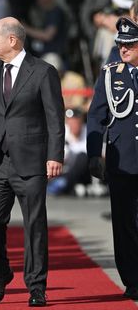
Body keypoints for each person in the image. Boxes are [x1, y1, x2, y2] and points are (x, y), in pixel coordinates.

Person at [0, 17, 65, 306]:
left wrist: (54, 156)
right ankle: (0, 274)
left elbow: (54, 117)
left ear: (12, 40)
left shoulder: (43, 72)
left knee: (35, 224)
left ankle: (36, 286)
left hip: (32, 161)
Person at [87, 16, 138, 301]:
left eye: (130, 43)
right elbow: (96, 116)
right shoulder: (110, 74)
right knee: (124, 222)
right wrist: (94, 153)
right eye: (121, 43)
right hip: (122, 160)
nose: (124, 48)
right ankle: (133, 279)